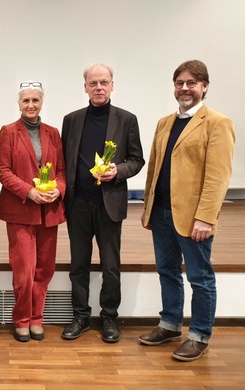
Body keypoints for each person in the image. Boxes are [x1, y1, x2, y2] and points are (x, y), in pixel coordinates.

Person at [138, 60, 235, 361]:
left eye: (191, 83)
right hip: (162, 213)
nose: (184, 88)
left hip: (194, 218)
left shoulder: (217, 123)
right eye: (180, 83)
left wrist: (206, 217)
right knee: (167, 271)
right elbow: (154, 167)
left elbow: (218, 177)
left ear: (204, 86)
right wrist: (148, 208)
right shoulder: (165, 122)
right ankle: (169, 324)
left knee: (199, 277)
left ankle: (200, 335)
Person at [61, 64, 144, 343]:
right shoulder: (71, 120)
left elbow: (136, 160)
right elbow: (66, 159)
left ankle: (109, 316)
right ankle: (80, 316)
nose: (99, 87)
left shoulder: (126, 119)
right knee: (78, 264)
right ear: (85, 87)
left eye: (104, 82)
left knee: (110, 266)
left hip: (110, 204)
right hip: (78, 205)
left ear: (112, 85)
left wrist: (117, 171)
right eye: (93, 82)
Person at [0, 82, 66, 342]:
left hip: (50, 211)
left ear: (42, 103)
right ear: (19, 104)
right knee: (24, 269)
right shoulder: (8, 132)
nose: (31, 105)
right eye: (26, 101)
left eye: (35, 100)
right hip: (21, 210)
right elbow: (3, 171)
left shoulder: (53, 133)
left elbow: (61, 170)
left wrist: (58, 189)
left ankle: (37, 318)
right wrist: (28, 191)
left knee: (44, 269)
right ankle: (21, 318)